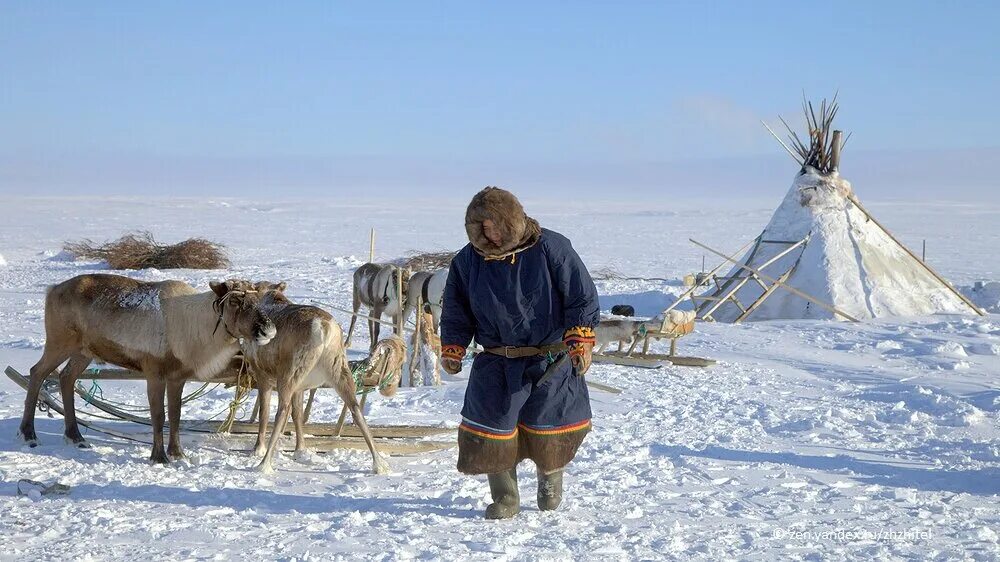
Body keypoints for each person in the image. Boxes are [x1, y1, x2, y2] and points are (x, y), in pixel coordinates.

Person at [440, 186, 599, 519]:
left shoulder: (551, 248)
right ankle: (506, 498)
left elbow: (580, 296)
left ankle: (550, 484)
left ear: (510, 221)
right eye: (481, 229)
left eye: (494, 226)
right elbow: (456, 309)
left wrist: (580, 338)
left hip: (549, 358)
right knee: (492, 428)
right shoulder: (468, 261)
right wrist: (453, 346)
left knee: (549, 424)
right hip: (497, 360)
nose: (490, 235)